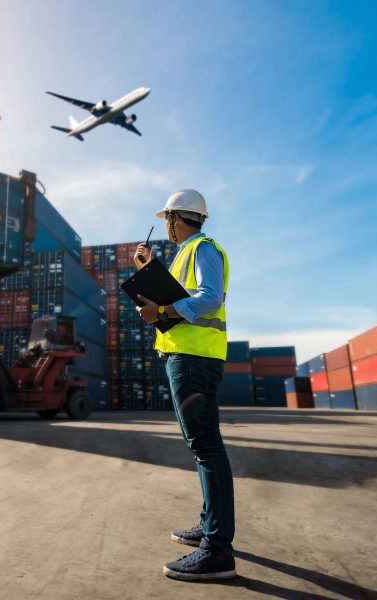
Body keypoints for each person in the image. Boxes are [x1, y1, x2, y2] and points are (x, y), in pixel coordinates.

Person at [133, 188, 235, 581]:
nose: (165, 226)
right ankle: (209, 525)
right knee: (202, 447)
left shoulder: (204, 249)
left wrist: (161, 309)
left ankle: (218, 550)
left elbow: (210, 298)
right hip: (187, 356)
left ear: (176, 217)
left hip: (195, 360)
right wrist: (149, 269)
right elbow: (180, 297)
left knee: (207, 448)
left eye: (166, 219)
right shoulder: (184, 255)